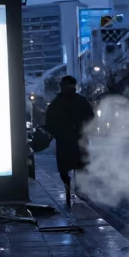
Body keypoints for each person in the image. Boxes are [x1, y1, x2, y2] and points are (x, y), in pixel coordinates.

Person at [43, 76, 95, 208]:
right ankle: (80, 191)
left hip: (65, 141)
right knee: (81, 166)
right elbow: (91, 118)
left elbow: (49, 122)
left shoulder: (57, 102)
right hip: (78, 139)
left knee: (65, 168)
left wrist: (57, 132)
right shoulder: (80, 101)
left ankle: (70, 188)